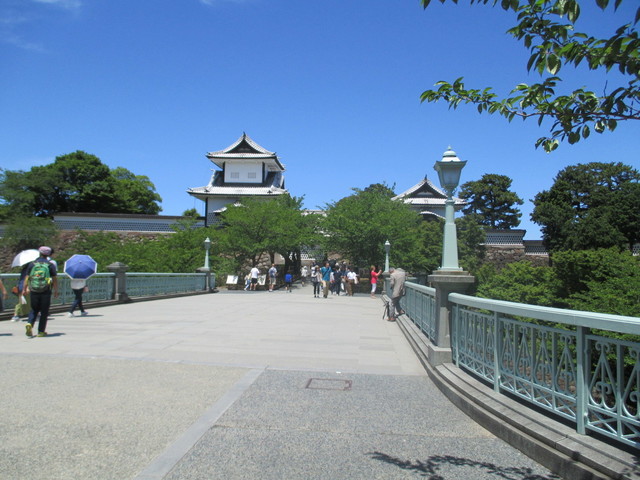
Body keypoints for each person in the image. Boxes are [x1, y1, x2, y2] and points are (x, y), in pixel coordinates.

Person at [22, 246, 58, 337]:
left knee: (34, 309)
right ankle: (41, 331)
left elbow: (27, 278)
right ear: (48, 254)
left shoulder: (32, 264)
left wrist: (24, 289)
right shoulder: (50, 265)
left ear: (39, 253)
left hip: (34, 289)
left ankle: (30, 323)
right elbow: (54, 279)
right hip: (46, 290)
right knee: (44, 311)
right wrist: (56, 290)